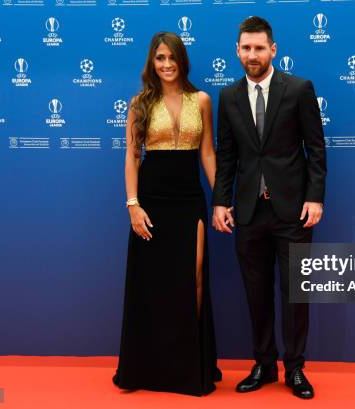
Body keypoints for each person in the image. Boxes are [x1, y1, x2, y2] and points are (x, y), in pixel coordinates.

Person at [212, 17, 327, 399]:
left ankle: (295, 369)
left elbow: (316, 150)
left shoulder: (297, 89)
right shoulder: (228, 97)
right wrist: (220, 202)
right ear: (237, 51)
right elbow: (226, 156)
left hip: (293, 210)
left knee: (295, 292)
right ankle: (263, 363)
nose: (252, 55)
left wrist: (315, 198)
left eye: (259, 48)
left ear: (273, 50)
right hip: (248, 213)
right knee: (256, 292)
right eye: (246, 48)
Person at [113, 31, 221, 396]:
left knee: (193, 280)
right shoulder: (139, 103)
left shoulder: (202, 100)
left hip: (190, 198)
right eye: (160, 58)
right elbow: (132, 156)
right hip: (152, 201)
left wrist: (221, 197)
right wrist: (133, 206)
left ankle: (191, 367)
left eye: (172, 57)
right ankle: (152, 368)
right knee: (153, 287)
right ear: (152, 62)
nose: (167, 64)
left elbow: (207, 153)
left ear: (182, 60)